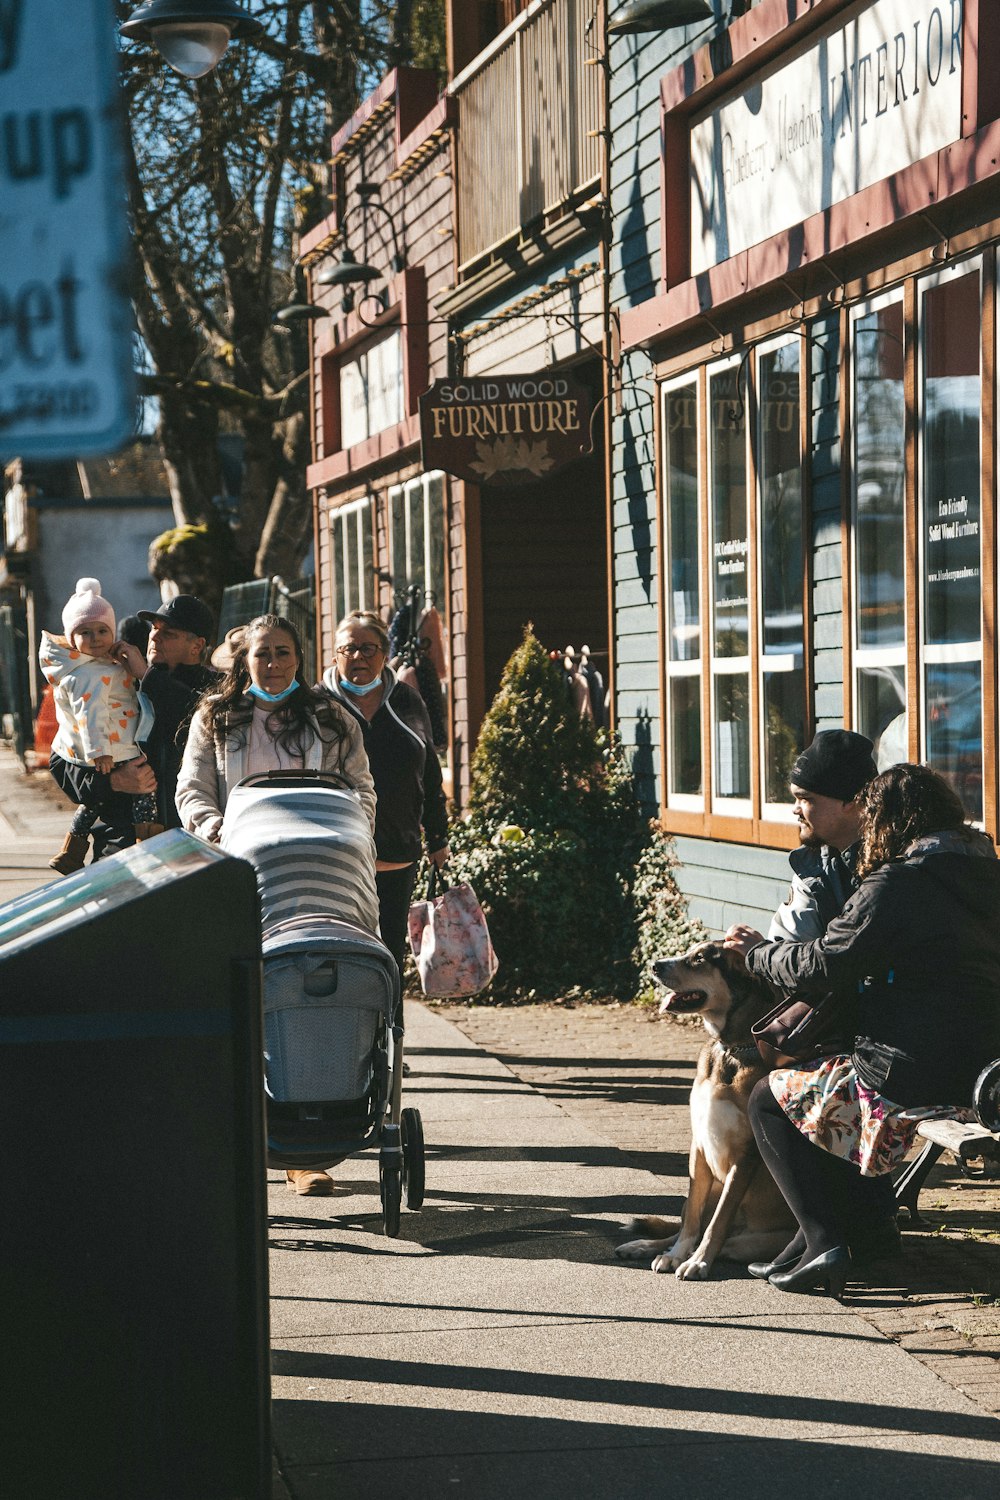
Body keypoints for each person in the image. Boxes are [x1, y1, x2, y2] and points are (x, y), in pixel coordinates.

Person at [725, 763, 1000, 1298]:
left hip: (917, 1069)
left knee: (770, 1095)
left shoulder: (897, 883)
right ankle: (871, 1238)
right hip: (987, 1073)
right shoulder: (990, 875)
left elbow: (827, 963)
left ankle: (823, 1240)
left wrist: (758, 955)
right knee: (829, 1077)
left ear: (889, 821)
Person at [176, 611, 376, 1198]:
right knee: (246, 999)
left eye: (284, 652)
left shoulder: (331, 717)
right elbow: (192, 789)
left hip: (321, 869)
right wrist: (218, 832)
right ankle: (252, 1134)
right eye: (262, 654)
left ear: (301, 656)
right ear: (245, 660)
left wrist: (351, 828)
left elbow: (361, 785)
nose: (273, 664)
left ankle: (306, 1145)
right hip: (244, 868)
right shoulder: (216, 719)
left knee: (315, 992)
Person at [317, 610, 449, 1009]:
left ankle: (390, 1044)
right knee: (341, 952)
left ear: (385, 652)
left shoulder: (407, 701)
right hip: (335, 854)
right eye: (349, 649)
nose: (358, 657)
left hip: (396, 850)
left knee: (390, 955)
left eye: (368, 648)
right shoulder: (318, 704)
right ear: (336, 655)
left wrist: (438, 837)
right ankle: (345, 1037)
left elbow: (429, 772)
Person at [48, 592, 217, 859]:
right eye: (154, 629)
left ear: (196, 646)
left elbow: (197, 714)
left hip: (189, 845)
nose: (154, 637)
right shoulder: (116, 681)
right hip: (117, 846)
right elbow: (60, 761)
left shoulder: (216, 689)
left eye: (169, 633)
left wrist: (146, 677)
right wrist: (111, 782)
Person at [40, 578, 160, 875]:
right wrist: (99, 752)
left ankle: (73, 846)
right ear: (71, 638)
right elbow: (88, 715)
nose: (95, 638)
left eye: (103, 630)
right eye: (85, 632)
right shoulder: (87, 675)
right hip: (109, 751)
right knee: (141, 791)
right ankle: (150, 833)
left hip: (109, 749)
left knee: (93, 804)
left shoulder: (104, 666)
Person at [768, 729, 877, 942]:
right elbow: (789, 951)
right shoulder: (813, 867)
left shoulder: (897, 862)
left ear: (851, 801)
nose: (795, 809)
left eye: (805, 799)